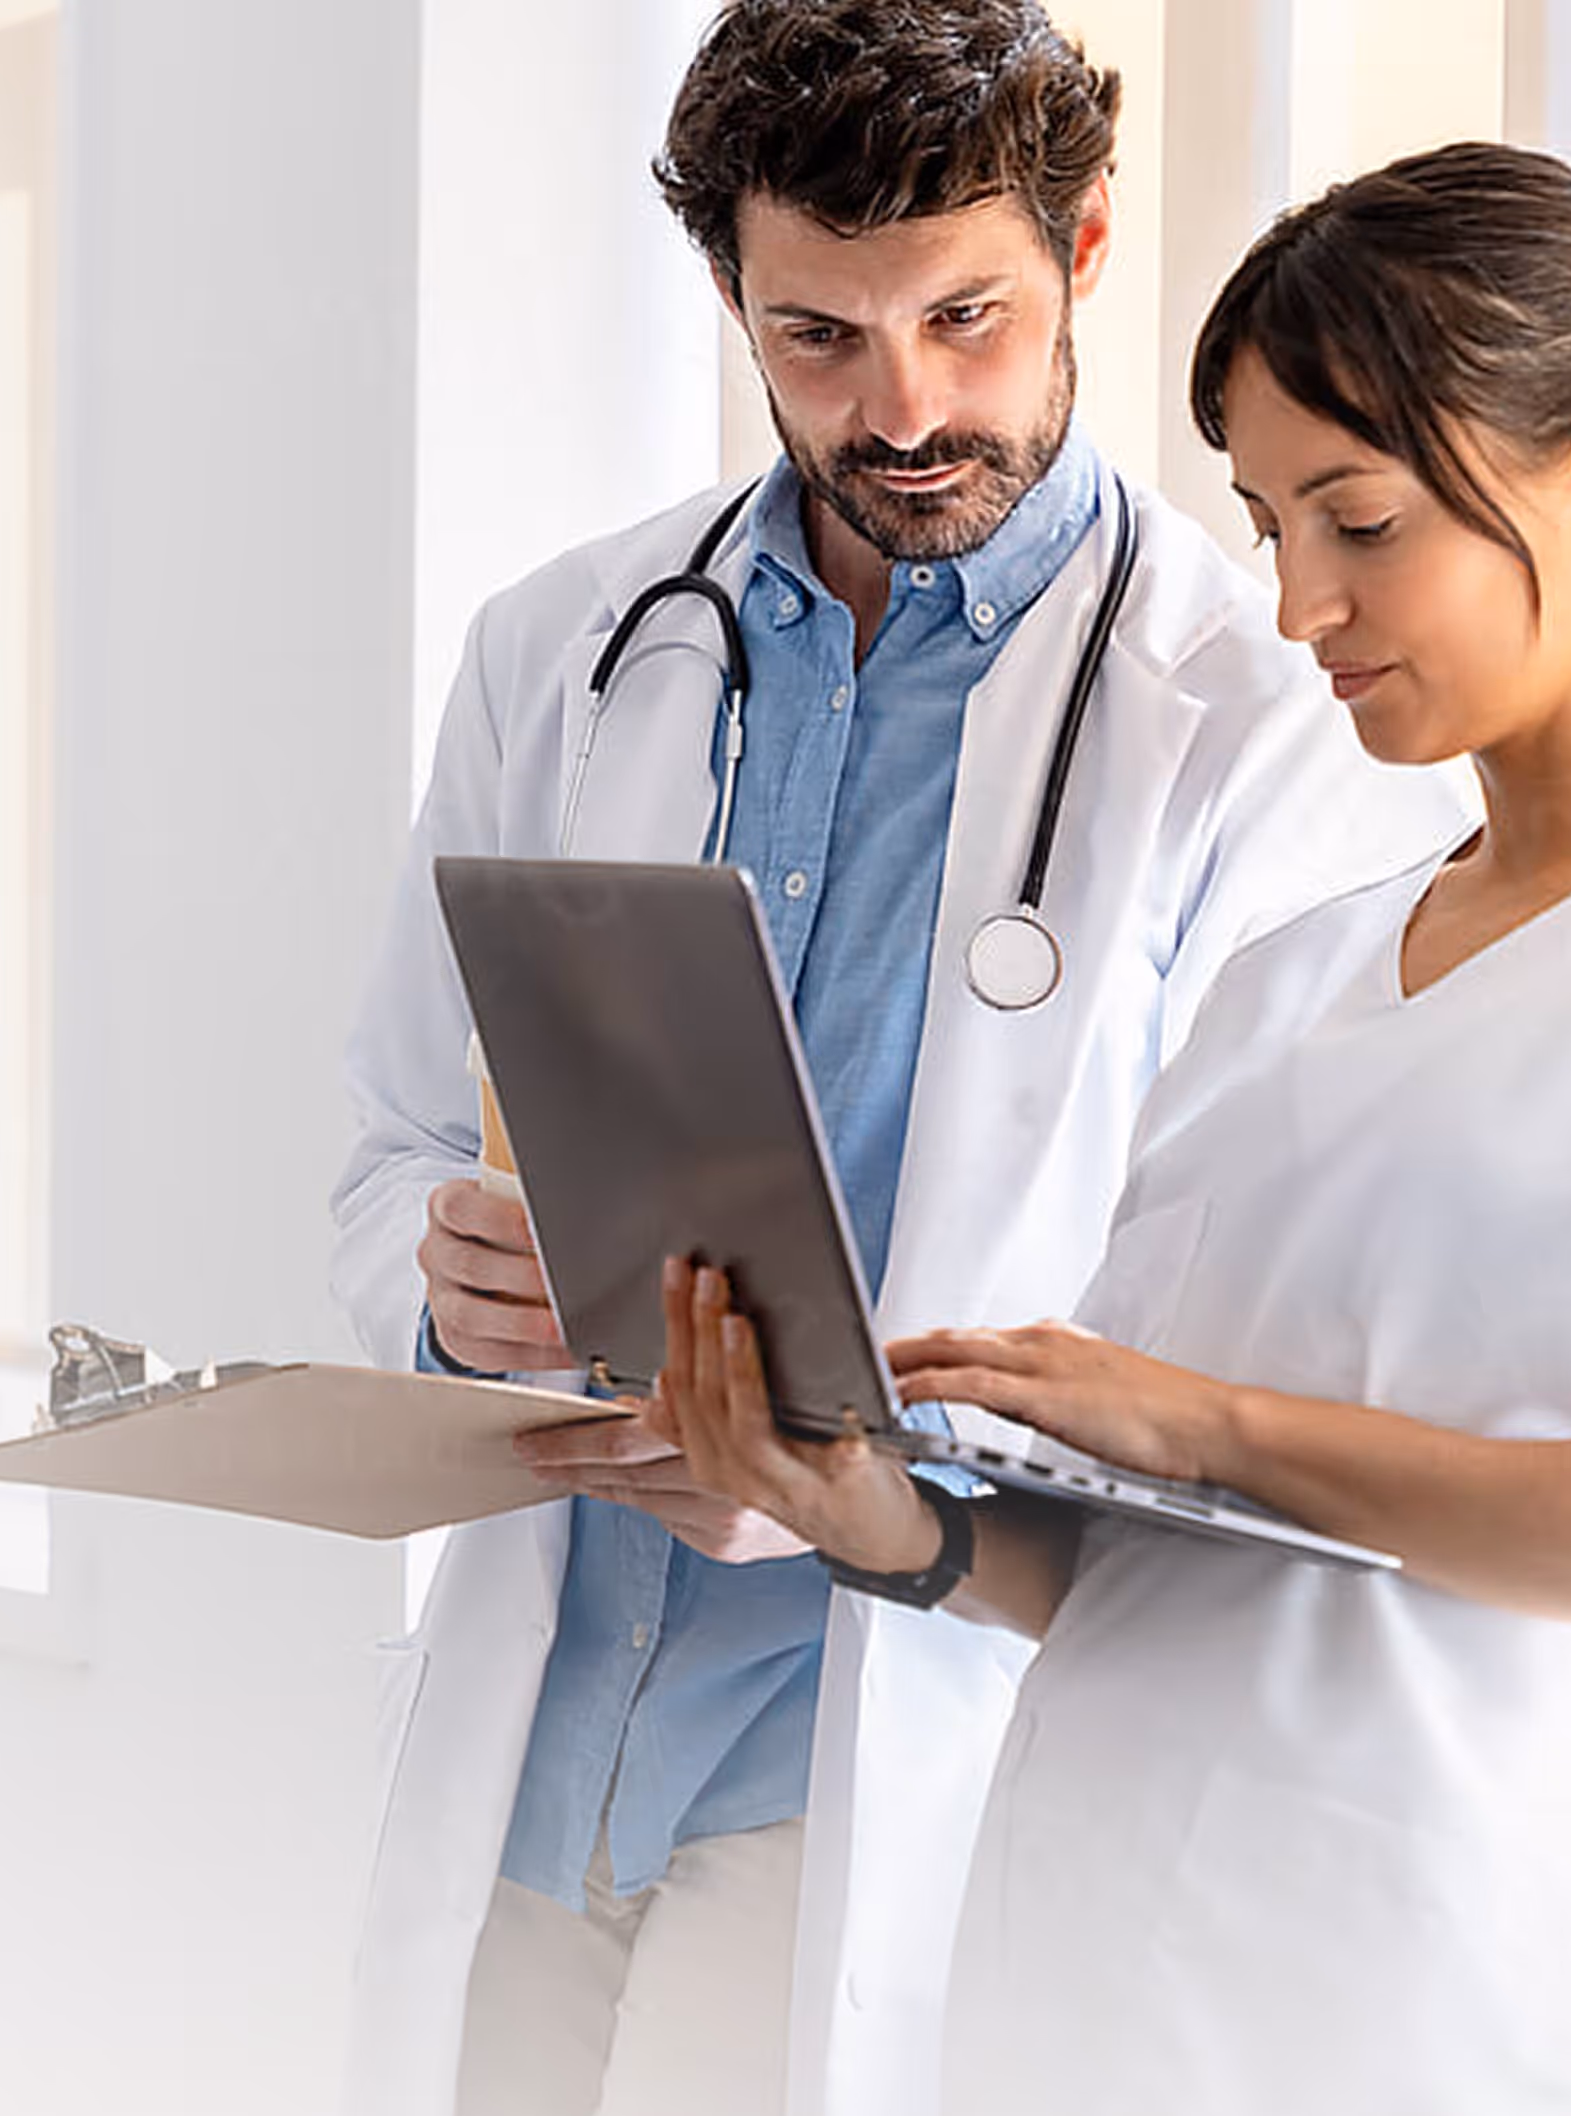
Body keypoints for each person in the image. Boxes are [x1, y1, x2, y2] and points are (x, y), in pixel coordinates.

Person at [328, 5, 1464, 2113]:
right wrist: (433, 1266)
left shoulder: (1258, 727)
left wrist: (870, 1481)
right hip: (534, 1730)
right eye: (818, 336)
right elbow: (392, 1122)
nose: (905, 405)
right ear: (734, 302)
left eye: (964, 317)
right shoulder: (559, 647)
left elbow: (1270, 1370)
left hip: (876, 1746)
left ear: (1085, 253)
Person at [649, 139, 1571, 2115]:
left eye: (1355, 522)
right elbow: (1145, 1559)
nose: (1296, 606)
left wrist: (1200, 1415)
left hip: (1450, 1999)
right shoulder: (1298, 975)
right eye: (1263, 526)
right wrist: (878, 1522)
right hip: (1084, 1984)